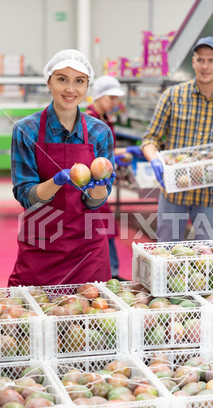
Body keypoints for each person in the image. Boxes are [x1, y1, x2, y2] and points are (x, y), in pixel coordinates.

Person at [8, 49, 116, 287]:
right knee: (31, 318)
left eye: (79, 81)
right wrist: (55, 182)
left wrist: (99, 188)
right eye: (62, 79)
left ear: (88, 85)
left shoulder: (100, 133)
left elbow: (96, 201)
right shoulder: (27, 131)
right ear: (49, 82)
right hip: (41, 246)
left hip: (88, 248)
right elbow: (26, 197)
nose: (70, 89)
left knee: (92, 319)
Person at [142, 36, 213, 242]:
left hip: (211, 196)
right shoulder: (172, 96)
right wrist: (155, 159)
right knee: (167, 250)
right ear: (193, 62)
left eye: (211, 60)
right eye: (200, 60)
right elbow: (150, 138)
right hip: (174, 192)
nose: (205, 66)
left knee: (207, 255)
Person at [85, 75, 142, 280]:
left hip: (103, 180)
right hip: (91, 183)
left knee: (105, 225)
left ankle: (111, 272)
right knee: (100, 227)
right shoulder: (89, 120)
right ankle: (108, 274)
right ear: (98, 96)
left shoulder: (107, 119)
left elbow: (106, 150)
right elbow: (92, 154)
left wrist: (120, 153)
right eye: (111, 98)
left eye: (117, 99)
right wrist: (122, 152)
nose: (115, 103)